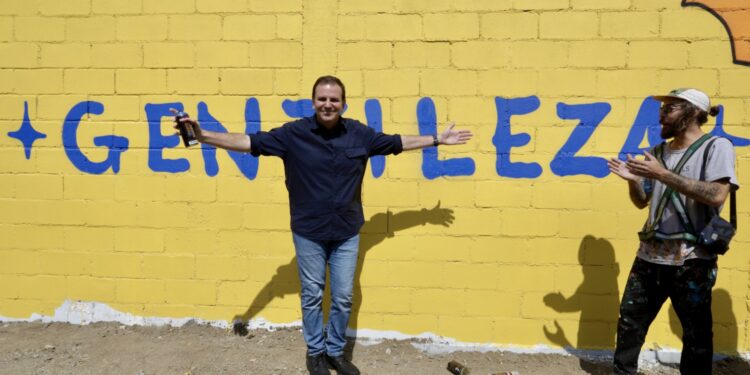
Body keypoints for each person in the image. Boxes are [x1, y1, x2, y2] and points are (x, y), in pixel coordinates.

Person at [175, 75, 472, 375]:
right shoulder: (293, 134)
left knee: (343, 297)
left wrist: (436, 139)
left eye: (334, 99)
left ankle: (335, 353)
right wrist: (202, 136)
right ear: (314, 101)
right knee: (313, 294)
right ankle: (315, 353)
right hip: (309, 232)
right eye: (322, 99)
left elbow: (396, 142)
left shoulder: (360, 134)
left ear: (343, 103)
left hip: (346, 231)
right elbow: (247, 141)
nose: (328, 104)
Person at [607, 88, 738, 374]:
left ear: (692, 112)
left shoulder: (716, 147)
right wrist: (633, 181)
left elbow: (717, 195)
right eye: (662, 108)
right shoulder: (656, 152)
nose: (661, 114)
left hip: (691, 259)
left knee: (696, 332)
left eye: (670, 108)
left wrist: (662, 174)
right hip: (649, 255)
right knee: (630, 322)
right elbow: (643, 202)